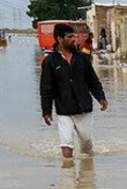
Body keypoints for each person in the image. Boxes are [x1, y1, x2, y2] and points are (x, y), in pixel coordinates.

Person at [40, 24, 108, 159]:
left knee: (86, 143)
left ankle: (88, 170)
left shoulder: (82, 58)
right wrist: (46, 111)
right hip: (64, 108)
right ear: (60, 39)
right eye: (70, 37)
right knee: (66, 144)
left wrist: (101, 98)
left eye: (74, 36)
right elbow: (46, 88)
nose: (74, 40)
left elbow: (92, 81)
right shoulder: (50, 62)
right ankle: (68, 174)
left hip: (84, 107)